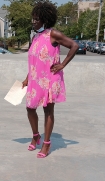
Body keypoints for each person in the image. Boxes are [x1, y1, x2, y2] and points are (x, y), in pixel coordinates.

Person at [22, 2, 78, 158]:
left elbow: (74, 45)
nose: (33, 22)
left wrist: (62, 65)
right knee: (30, 108)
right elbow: (34, 61)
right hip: (35, 79)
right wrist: (27, 78)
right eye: (32, 19)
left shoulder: (53, 34)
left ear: (45, 20)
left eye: (36, 19)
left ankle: (46, 144)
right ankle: (36, 136)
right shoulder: (35, 37)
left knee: (48, 111)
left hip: (50, 79)